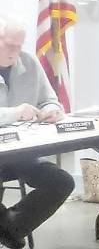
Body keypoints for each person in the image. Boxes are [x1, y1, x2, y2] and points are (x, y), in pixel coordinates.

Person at [0, 15, 74, 249]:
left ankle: (10, 227)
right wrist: (14, 113)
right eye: (9, 45)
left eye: (19, 46)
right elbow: (15, 113)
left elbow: (49, 99)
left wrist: (52, 110)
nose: (15, 51)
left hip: (22, 152)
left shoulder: (30, 64)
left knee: (61, 182)